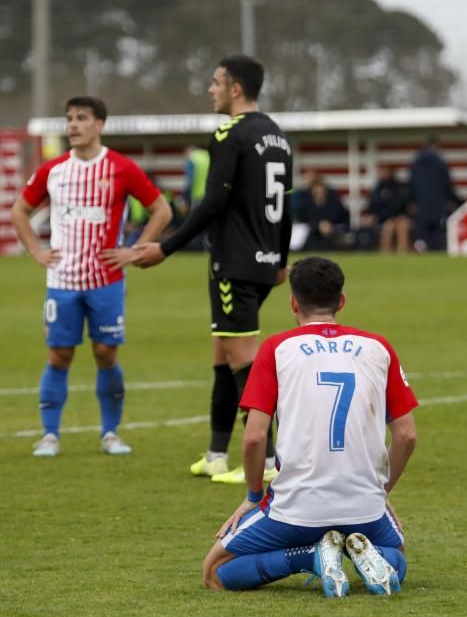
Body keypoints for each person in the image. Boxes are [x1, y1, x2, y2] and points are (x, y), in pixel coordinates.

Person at [203, 256, 418, 597]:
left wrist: (253, 497)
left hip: (297, 506)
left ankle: (308, 556)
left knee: (215, 571)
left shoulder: (277, 348)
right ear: (341, 301)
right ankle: (359, 552)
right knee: (396, 558)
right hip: (364, 505)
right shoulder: (379, 347)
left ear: (293, 302)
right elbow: (406, 434)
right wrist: (381, 489)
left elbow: (255, 437)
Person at [131, 54, 294, 484]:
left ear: (235, 88)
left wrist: (165, 248)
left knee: (242, 361)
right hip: (262, 262)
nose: (211, 89)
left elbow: (213, 202)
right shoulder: (277, 136)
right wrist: (280, 258)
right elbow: (287, 203)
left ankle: (271, 461)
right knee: (223, 357)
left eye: (216, 82)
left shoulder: (229, 132)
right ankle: (216, 455)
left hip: (233, 262)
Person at [11, 96, 172, 457]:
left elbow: (161, 210)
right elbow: (19, 211)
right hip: (62, 282)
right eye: (69, 119)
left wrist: (136, 249)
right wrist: (36, 251)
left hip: (107, 281)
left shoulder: (121, 167)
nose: (72, 125)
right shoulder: (53, 170)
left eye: (81, 118)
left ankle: (110, 433)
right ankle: (49, 435)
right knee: (59, 355)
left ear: (99, 125)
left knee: (105, 353)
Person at [409, 135, 462, 252]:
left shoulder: (415, 162)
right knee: (437, 232)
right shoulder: (441, 163)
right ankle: (436, 250)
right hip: (438, 204)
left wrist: (412, 201)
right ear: (436, 146)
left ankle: (421, 249)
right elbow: (447, 185)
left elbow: (411, 185)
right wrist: (457, 201)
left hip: (420, 205)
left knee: (422, 232)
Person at [359, 164, 412, 253]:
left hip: (400, 218)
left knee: (402, 225)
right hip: (384, 220)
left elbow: (400, 206)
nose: (382, 173)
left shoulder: (400, 187)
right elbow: (372, 206)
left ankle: (402, 254)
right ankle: (386, 256)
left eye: (385, 170)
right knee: (389, 227)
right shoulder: (377, 189)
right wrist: (369, 216)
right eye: (381, 171)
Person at [293, 170, 350, 251]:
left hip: (333, 227)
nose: (319, 193)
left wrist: (328, 224)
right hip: (313, 229)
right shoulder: (306, 202)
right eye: (317, 191)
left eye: (321, 190)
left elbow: (340, 215)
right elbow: (303, 218)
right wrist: (318, 225)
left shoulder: (333, 200)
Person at [183, 145, 210, 250]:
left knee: (197, 225)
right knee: (210, 224)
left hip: (198, 197)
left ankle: (199, 249)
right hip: (211, 195)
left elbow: (190, 180)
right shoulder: (208, 157)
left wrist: (185, 199)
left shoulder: (192, 159)